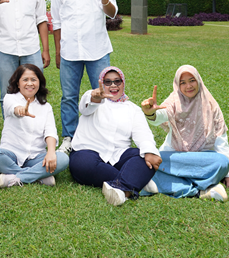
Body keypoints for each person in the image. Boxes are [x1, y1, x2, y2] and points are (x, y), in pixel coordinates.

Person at [50, 0, 117, 155]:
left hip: (97, 50)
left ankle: (104, 136)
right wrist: (58, 52)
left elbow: (112, 12)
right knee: (69, 96)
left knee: (104, 93)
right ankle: (69, 137)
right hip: (70, 52)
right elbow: (57, 23)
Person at [140, 65, 229, 202]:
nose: (188, 86)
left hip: (200, 159)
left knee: (222, 162)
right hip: (175, 157)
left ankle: (162, 182)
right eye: (183, 83)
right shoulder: (174, 100)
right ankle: (200, 190)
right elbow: (162, 114)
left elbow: (221, 141)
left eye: (192, 80)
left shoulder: (211, 105)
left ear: (198, 80)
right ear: (177, 85)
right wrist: (150, 112)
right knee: (148, 160)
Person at [68, 67, 162, 206]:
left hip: (118, 154)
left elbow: (143, 133)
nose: (113, 85)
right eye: (108, 82)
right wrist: (95, 97)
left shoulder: (133, 109)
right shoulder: (94, 99)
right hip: (89, 151)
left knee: (142, 156)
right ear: (102, 84)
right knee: (82, 164)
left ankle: (122, 190)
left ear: (123, 83)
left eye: (117, 81)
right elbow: (85, 107)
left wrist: (149, 151)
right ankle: (135, 181)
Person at [0, 64, 68, 188]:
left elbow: (50, 132)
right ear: (18, 83)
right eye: (25, 80)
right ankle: (39, 176)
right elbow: (14, 109)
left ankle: (13, 177)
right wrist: (21, 110)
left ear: (39, 82)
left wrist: (50, 152)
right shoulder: (9, 98)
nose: (29, 83)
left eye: (33, 79)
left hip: (36, 156)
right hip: (11, 155)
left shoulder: (46, 107)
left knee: (63, 159)